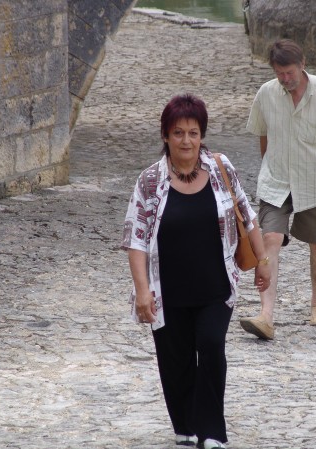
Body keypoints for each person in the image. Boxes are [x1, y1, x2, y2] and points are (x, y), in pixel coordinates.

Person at [121, 94, 270, 449]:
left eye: (193, 133)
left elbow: (247, 214)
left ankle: (213, 431)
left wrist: (262, 261)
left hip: (216, 285)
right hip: (168, 289)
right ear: (166, 136)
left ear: (202, 135)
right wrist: (142, 291)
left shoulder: (220, 168)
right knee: (176, 360)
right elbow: (136, 239)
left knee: (211, 345)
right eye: (178, 133)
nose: (186, 141)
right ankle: (186, 426)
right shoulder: (149, 182)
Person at [240, 39, 316, 340]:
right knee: (269, 238)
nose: (285, 79)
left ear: (302, 64)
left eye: (290, 73)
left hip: (315, 182)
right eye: (279, 73)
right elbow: (264, 136)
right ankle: (266, 315)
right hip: (276, 181)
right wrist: (268, 167)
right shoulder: (266, 94)